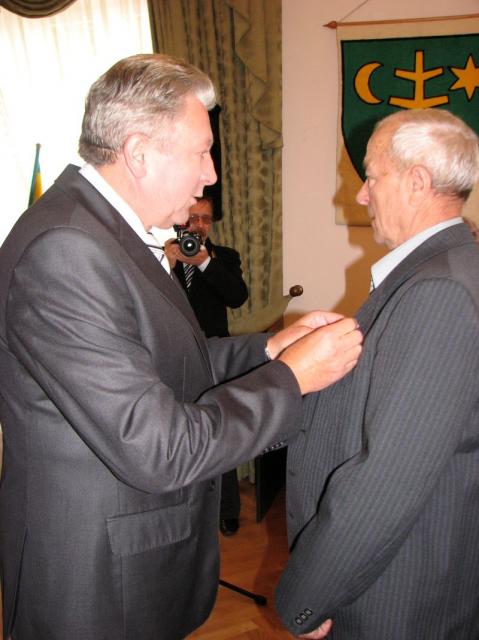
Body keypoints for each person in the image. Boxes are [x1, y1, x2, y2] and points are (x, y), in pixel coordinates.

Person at [0, 53, 362, 640]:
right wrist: (292, 379)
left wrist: (270, 350)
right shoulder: (67, 249)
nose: (210, 175)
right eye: (201, 152)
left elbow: (161, 364)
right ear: (139, 153)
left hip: (129, 562)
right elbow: (158, 448)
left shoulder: (105, 232)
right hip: (95, 584)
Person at [275, 108, 479, 640]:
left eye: (371, 176)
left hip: (395, 594)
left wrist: (306, 595)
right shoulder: (446, 271)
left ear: (417, 183)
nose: (362, 195)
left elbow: (387, 479)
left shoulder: (438, 292)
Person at [166, 196, 247, 537]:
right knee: (176, 434)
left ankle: (227, 510)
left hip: (213, 358)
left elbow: (238, 296)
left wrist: (204, 263)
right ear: (180, 220)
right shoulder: (160, 254)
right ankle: (183, 509)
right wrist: (165, 264)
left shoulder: (224, 257)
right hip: (171, 358)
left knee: (220, 432)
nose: (199, 226)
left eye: (205, 219)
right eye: (193, 218)